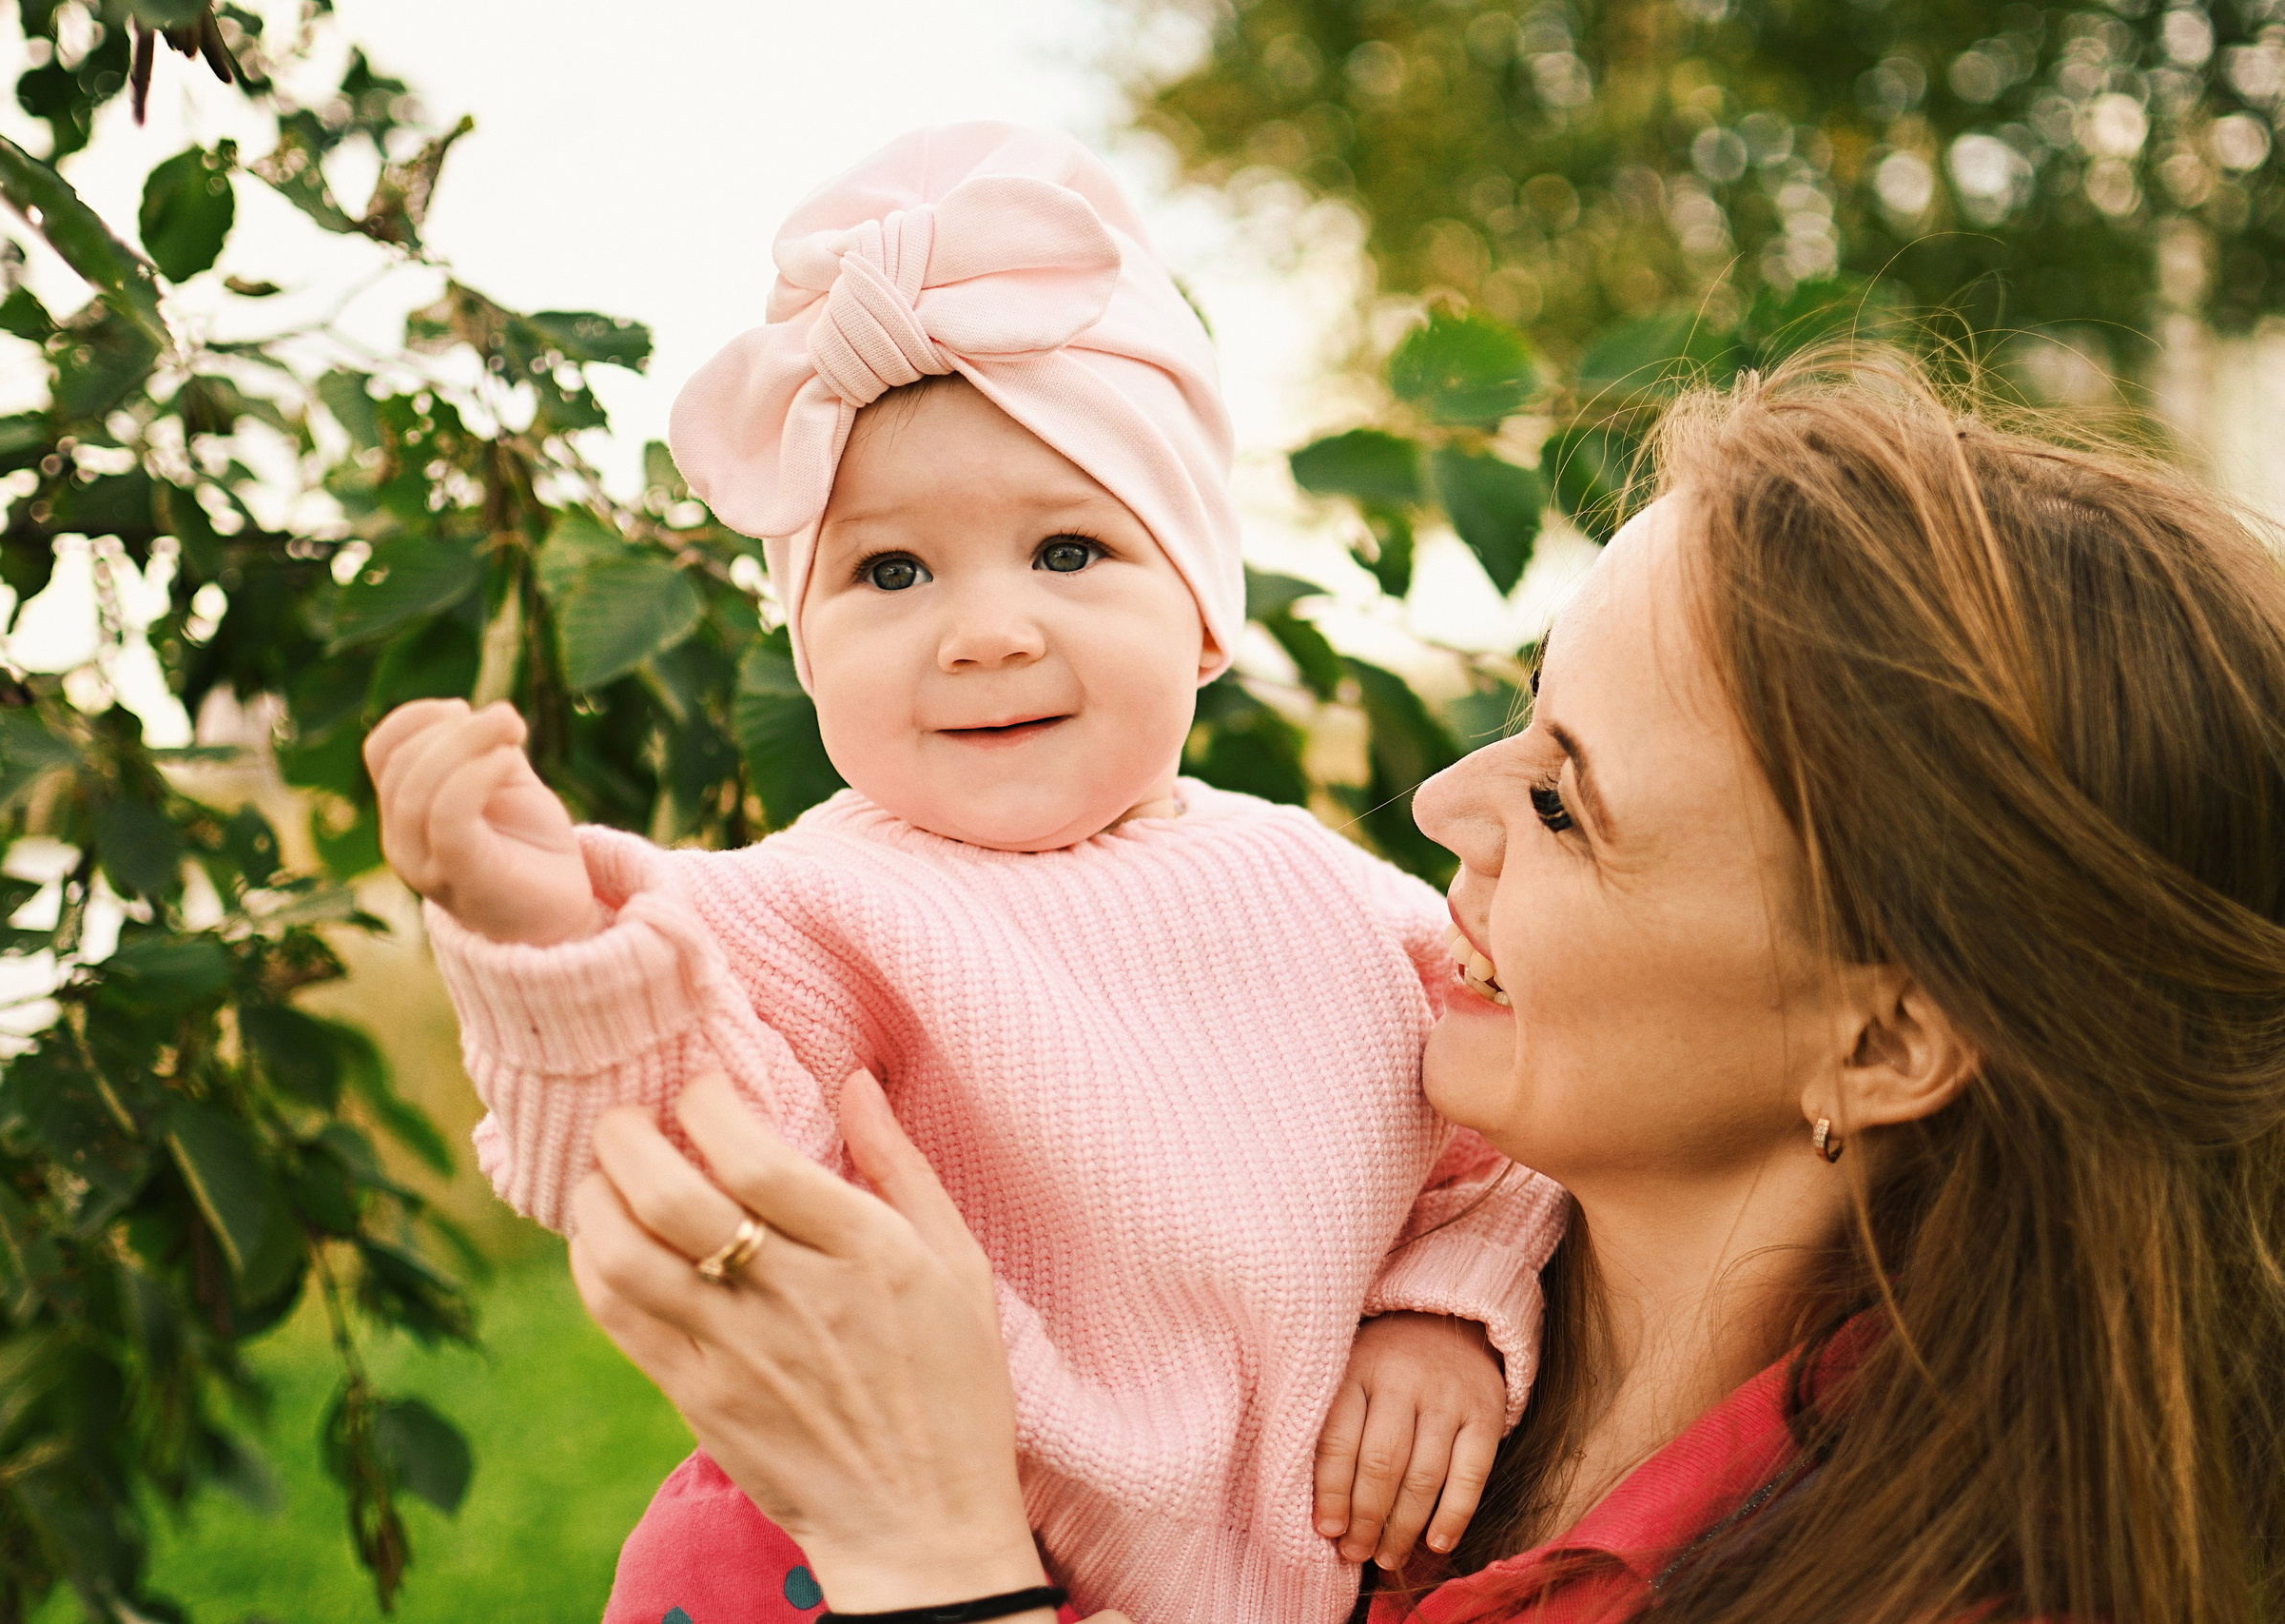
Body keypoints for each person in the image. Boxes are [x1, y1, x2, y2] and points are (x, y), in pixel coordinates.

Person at [567, 347, 2285, 1624]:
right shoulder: (1347, 1283)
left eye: (1564, 798)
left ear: (1885, 1033)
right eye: (1518, 715)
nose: (1446, 802)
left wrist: (932, 1556)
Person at [361, 124, 1565, 1624]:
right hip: (886, 1560)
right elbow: (646, 1170)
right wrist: (536, 928)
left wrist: (1443, 1313)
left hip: (1318, 1560)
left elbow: (1508, 1143)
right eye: (889, 573)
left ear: (1201, 616)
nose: (985, 630)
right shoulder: (799, 914)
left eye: (1066, 552)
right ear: (809, 658)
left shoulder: (1332, 895)